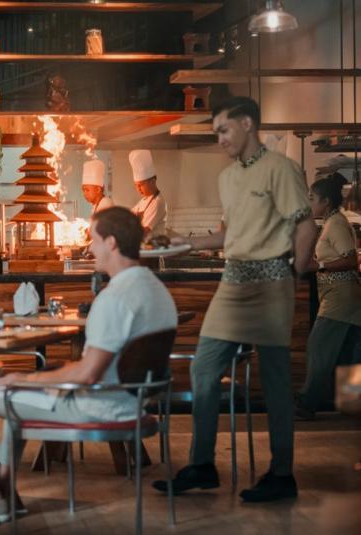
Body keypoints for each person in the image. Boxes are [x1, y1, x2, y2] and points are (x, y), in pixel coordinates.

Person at [153, 96, 317, 502]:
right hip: (232, 281)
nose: (220, 138)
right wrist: (187, 243)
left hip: (272, 280)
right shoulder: (227, 178)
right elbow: (229, 233)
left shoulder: (282, 169)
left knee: (276, 381)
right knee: (204, 370)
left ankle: (282, 474)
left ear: (247, 124)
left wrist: (294, 271)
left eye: (224, 130)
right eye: (217, 133)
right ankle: (202, 465)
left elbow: (306, 224)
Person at [0, 207, 177, 518]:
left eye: (93, 240)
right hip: (133, 401)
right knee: (13, 396)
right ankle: (3, 488)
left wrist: (24, 379)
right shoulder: (158, 291)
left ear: (112, 243)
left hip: (97, 405)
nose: (89, 248)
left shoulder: (114, 298)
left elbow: (86, 373)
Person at [295, 174, 361, 420]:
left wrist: (318, 265)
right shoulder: (332, 222)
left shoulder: (337, 224)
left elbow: (350, 259)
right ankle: (352, 405)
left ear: (326, 201)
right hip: (343, 298)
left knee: (319, 348)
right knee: (349, 355)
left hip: (340, 298)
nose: (309, 203)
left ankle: (307, 403)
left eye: (312, 198)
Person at [129, 149, 167, 238]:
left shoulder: (157, 202)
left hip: (155, 248)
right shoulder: (143, 200)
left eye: (141, 185)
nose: (138, 189)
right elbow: (128, 216)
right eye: (136, 185)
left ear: (152, 181)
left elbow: (144, 231)